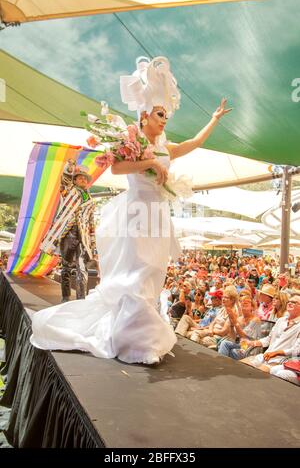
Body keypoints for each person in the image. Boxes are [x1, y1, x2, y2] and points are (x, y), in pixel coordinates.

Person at [30, 56, 231, 365]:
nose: (164, 119)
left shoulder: (166, 147)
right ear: (145, 115)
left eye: (166, 115)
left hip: (158, 216)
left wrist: (215, 119)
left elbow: (193, 142)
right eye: (160, 114)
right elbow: (118, 169)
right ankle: (137, 342)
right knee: (135, 273)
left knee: (152, 273)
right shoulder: (132, 141)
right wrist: (149, 162)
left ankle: (142, 337)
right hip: (136, 214)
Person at [40, 161, 97, 302]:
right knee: (66, 267)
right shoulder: (69, 191)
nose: (83, 179)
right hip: (68, 234)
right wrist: (70, 167)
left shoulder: (91, 201)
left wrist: (93, 243)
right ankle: (65, 297)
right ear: (75, 180)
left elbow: (91, 224)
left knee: (82, 267)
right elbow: (65, 179)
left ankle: (81, 299)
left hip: (82, 237)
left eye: (85, 178)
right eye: (80, 177)